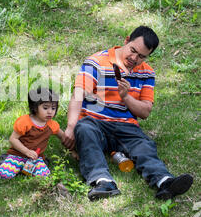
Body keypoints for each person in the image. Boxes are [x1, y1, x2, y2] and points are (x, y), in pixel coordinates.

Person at [63, 26, 193, 200]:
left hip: (126, 127)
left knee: (144, 145)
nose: (134, 58)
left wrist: (126, 97)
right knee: (84, 130)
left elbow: (145, 111)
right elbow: (78, 95)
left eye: (142, 56)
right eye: (133, 50)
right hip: (94, 122)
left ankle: (165, 182)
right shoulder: (96, 62)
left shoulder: (147, 73)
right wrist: (71, 127)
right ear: (126, 40)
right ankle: (102, 181)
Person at [0, 87, 64, 179]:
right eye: (45, 108)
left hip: (35, 158)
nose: (50, 112)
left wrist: (73, 150)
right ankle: (7, 161)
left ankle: (29, 168)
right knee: (4, 174)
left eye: (53, 108)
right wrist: (26, 151)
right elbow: (13, 139)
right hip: (17, 155)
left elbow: (63, 137)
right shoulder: (25, 122)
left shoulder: (52, 125)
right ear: (34, 107)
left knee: (44, 176)